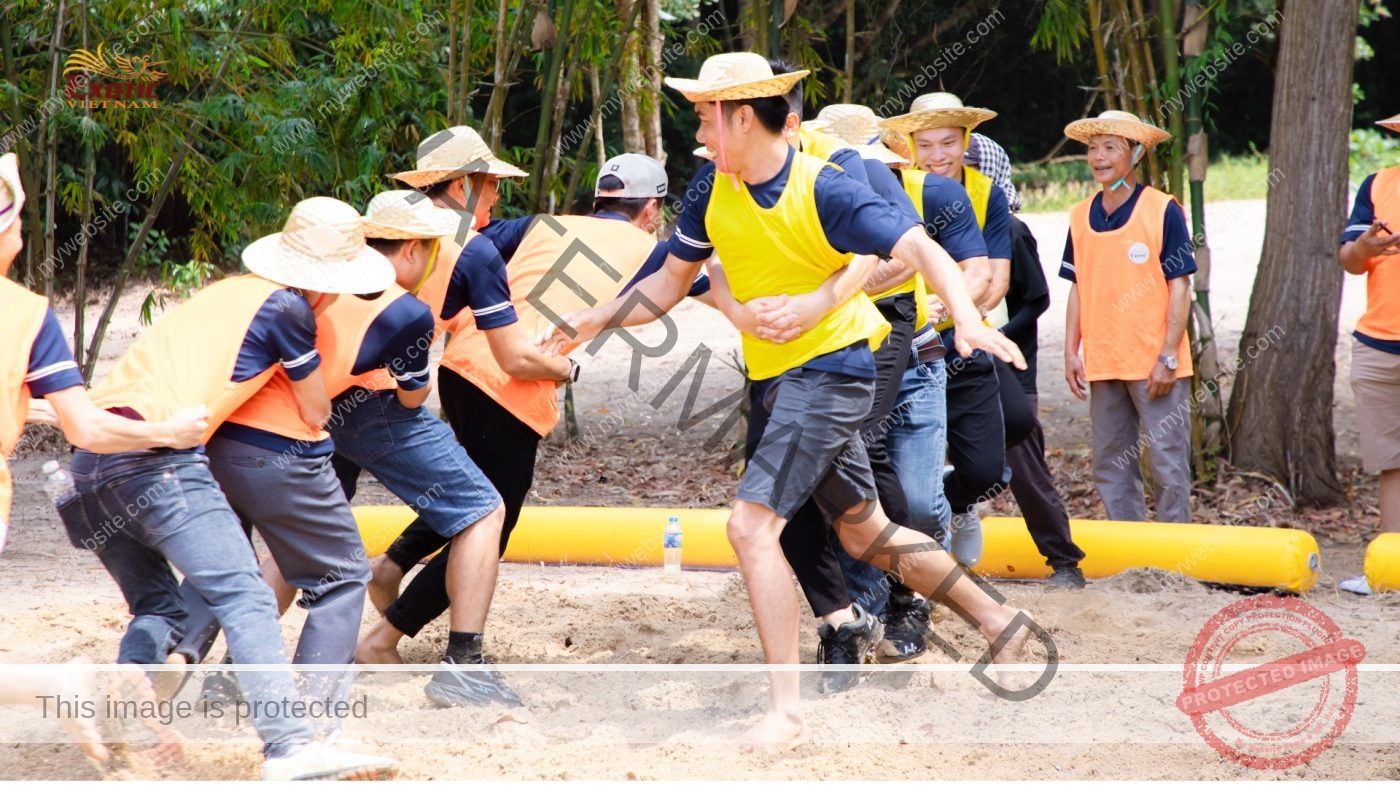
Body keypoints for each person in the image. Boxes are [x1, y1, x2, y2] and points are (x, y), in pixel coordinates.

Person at [539, 52, 1046, 749]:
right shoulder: (712, 185)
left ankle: (786, 712)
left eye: (704, 116)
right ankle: (999, 623)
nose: (700, 131)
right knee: (863, 531)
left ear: (741, 116)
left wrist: (968, 318)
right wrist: (591, 319)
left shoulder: (828, 185)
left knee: (750, 528)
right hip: (779, 377)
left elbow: (919, 248)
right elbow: (664, 285)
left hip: (831, 372)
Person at [74, 193, 400, 779]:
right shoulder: (290, 310)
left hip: (88, 464)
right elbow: (317, 408)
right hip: (158, 458)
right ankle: (292, 743)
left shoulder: (223, 292)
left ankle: (133, 693)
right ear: (328, 282)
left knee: (160, 603)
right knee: (251, 595)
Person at [357, 154, 675, 661]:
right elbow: (704, 282)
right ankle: (384, 638)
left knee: (473, 495)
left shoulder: (539, 225)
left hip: (461, 367)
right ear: (652, 208)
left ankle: (391, 565)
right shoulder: (653, 252)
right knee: (489, 526)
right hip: (513, 383)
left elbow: (462, 250)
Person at [0, 153, 208, 774]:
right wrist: (169, 431)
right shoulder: (26, 314)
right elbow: (85, 424)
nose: (23, 234)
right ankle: (63, 689)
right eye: (19, 223)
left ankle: (62, 689)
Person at [891, 94, 1086, 590]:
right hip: (902, 342)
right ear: (910, 146)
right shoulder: (894, 188)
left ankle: (957, 501)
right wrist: (926, 308)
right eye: (927, 144)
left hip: (966, 335)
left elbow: (995, 280)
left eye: (949, 143)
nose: (938, 155)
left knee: (1015, 430)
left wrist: (949, 307)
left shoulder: (986, 195)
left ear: (967, 144)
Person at [1060, 110, 1195, 525]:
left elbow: (1181, 286)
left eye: (1111, 148)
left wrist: (1168, 356)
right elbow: (1078, 286)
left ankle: (1176, 559)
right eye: (1093, 148)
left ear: (1135, 154)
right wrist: (1071, 351)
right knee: (1111, 464)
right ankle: (1129, 555)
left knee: (1168, 463)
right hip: (1104, 361)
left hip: (1155, 361)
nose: (1099, 157)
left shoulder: (1162, 210)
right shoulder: (1080, 215)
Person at [1336, 111, 1400, 595]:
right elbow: (1350, 262)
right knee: (1391, 462)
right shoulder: (1377, 186)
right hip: (1378, 344)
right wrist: (1366, 246)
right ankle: (1390, 571)